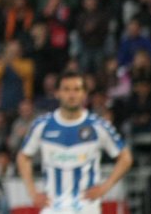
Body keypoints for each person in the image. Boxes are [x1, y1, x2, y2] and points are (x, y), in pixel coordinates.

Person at [17, 72, 133, 214]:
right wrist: (32, 192)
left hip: (86, 207)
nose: (72, 95)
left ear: (84, 94)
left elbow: (125, 157)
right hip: (53, 207)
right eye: (66, 89)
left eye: (77, 89)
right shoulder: (42, 125)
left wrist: (104, 188)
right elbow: (23, 157)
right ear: (57, 93)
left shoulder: (98, 125)